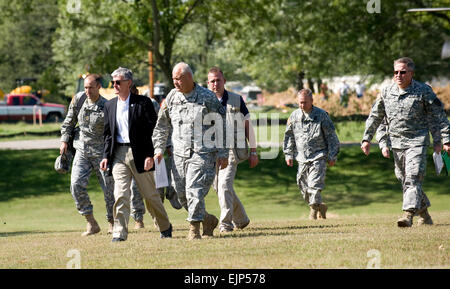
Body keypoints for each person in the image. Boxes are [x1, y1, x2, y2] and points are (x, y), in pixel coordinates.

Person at [361, 57, 450, 227]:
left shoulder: (423, 90)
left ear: (411, 73)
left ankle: (407, 215)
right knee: (405, 179)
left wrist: (446, 139)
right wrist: (367, 138)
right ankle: (424, 214)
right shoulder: (386, 92)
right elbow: (375, 116)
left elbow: (439, 115)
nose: (398, 75)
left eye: (403, 72)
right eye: (396, 72)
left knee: (413, 176)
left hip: (417, 141)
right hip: (396, 143)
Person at [153, 62, 228, 240]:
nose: (175, 83)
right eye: (173, 79)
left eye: (178, 79)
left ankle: (194, 229)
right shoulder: (171, 97)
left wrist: (223, 152)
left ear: (189, 77)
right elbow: (162, 126)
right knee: (182, 196)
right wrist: (158, 149)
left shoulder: (207, 97)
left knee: (194, 190)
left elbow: (221, 125)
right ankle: (207, 220)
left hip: (202, 154)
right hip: (178, 155)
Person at [100, 67, 172, 241]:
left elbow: (152, 131)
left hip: (140, 153)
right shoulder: (109, 105)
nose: (115, 85)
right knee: (121, 194)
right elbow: (108, 134)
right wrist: (105, 156)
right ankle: (119, 232)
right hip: (118, 154)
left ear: (128, 83)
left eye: (118, 82)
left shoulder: (143, 103)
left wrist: (150, 155)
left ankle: (165, 227)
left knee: (150, 196)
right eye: (113, 82)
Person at [60, 74, 115, 236]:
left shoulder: (107, 106)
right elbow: (69, 121)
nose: (87, 91)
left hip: (101, 153)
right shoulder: (78, 100)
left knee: (109, 190)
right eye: (85, 87)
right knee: (76, 185)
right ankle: (91, 223)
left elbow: (111, 133)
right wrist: (64, 140)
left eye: (91, 87)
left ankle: (112, 222)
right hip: (82, 151)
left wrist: (109, 154)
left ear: (99, 86)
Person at [207, 67, 258, 233]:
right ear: (208, 83)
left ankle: (226, 224)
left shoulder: (237, 100)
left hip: (231, 152)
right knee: (220, 187)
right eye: (212, 81)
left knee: (224, 185)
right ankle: (241, 219)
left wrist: (254, 151)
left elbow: (247, 125)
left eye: (218, 80)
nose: (215, 83)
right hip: (211, 153)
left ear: (224, 81)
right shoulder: (204, 101)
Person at [283, 89, 340, 220]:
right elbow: (289, 137)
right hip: (302, 157)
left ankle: (313, 212)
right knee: (302, 185)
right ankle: (321, 206)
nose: (302, 105)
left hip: (319, 155)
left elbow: (331, 136)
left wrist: (332, 155)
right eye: (300, 103)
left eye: (305, 102)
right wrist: (288, 154)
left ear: (312, 101)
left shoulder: (321, 115)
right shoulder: (294, 116)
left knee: (314, 184)